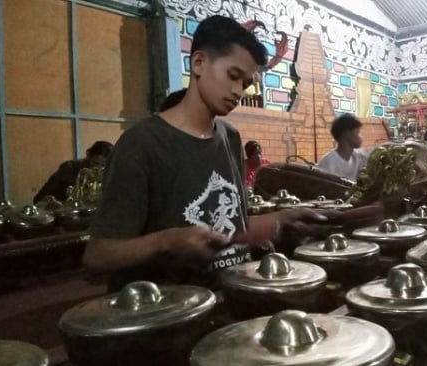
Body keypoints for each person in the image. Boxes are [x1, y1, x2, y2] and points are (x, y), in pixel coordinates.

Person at [83, 15, 331, 292]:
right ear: (199, 63)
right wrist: (165, 241)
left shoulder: (230, 137)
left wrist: (280, 219)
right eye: (233, 76)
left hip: (230, 300)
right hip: (171, 316)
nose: (238, 91)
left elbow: (228, 225)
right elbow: (97, 255)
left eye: (246, 84)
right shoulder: (141, 144)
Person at [33, 141, 113, 203]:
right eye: (95, 163)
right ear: (88, 157)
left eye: (103, 166)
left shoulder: (111, 173)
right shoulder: (69, 168)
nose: (98, 169)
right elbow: (39, 198)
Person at [317, 114, 368, 181]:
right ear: (346, 133)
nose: (361, 137)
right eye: (358, 132)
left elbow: (379, 149)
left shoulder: (359, 156)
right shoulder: (328, 162)